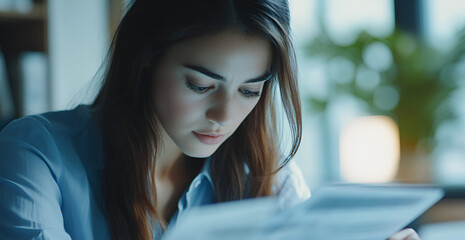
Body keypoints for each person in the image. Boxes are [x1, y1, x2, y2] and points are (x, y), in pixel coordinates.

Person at [0, 0, 420, 239]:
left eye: (250, 91)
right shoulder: (37, 154)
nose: (224, 116)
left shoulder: (270, 181)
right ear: (145, 60)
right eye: (201, 85)